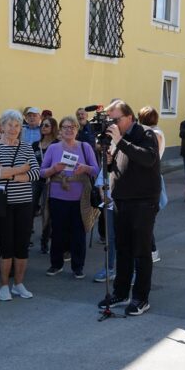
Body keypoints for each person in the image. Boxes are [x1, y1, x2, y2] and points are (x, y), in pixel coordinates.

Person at [96, 100, 160, 316]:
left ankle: (141, 298)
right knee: (123, 249)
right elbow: (119, 166)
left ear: (130, 117)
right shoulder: (118, 138)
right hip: (121, 200)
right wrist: (108, 161)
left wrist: (120, 141)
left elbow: (148, 158)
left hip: (143, 201)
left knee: (141, 251)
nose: (112, 124)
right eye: (110, 120)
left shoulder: (145, 133)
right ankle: (121, 292)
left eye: (116, 119)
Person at [0, 109, 41, 301]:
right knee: (6, 244)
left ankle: (18, 284)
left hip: (24, 202)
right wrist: (21, 170)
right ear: (2, 126)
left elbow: (35, 173)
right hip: (3, 203)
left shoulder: (26, 147)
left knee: (22, 245)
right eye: (10, 125)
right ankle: (4, 285)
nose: (13, 129)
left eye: (17, 125)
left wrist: (10, 174)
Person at [40, 115, 99, 279]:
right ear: (60, 130)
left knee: (78, 233)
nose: (69, 130)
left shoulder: (85, 147)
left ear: (77, 130)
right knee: (58, 232)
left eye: (72, 127)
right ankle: (56, 264)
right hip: (57, 197)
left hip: (80, 198)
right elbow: (42, 172)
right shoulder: (53, 148)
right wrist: (54, 169)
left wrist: (85, 168)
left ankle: (78, 267)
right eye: (65, 127)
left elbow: (96, 169)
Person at [138, 106, 166, 263]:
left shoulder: (153, 134)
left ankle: (152, 250)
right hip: (151, 177)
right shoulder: (155, 132)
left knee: (146, 219)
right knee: (145, 218)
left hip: (149, 179)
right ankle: (150, 250)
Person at [33, 117, 59, 254]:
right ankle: (25, 239)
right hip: (35, 180)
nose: (43, 127)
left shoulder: (57, 144)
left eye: (47, 125)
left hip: (50, 180)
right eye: (42, 125)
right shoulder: (35, 144)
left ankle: (44, 241)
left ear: (53, 128)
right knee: (30, 208)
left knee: (46, 212)